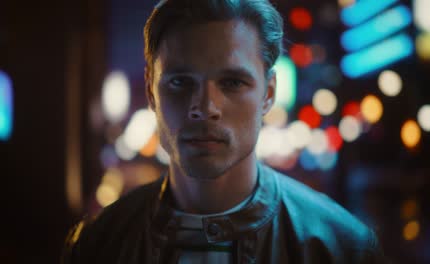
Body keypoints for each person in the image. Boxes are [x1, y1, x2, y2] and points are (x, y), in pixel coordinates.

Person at [63, 0, 387, 263]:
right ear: (151, 91)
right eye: (180, 82)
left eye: (232, 82)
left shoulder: (343, 249)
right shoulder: (96, 245)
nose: (204, 107)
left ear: (268, 94)